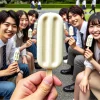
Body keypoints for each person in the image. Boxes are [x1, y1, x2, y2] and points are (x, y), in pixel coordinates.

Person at [0, 10, 29, 100]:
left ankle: (24, 93)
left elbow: (13, 60)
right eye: (6, 24)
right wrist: (4, 72)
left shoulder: (10, 41)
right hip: (2, 71)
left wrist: (19, 73)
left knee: (24, 67)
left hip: (3, 68)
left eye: (14, 26)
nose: (10, 29)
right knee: (10, 87)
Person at [61, 5, 88, 92]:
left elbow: (90, 53)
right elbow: (79, 46)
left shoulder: (88, 28)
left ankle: (76, 82)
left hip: (94, 56)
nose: (72, 19)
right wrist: (74, 45)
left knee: (78, 59)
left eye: (75, 15)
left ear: (82, 15)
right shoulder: (78, 28)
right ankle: (72, 69)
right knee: (71, 48)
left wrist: (75, 46)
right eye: (70, 17)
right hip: (87, 51)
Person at [74, 12, 100, 100]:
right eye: (91, 26)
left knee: (84, 81)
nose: (95, 30)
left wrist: (92, 59)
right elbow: (89, 63)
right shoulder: (94, 42)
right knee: (81, 78)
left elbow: (91, 61)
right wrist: (85, 77)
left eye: (98, 26)